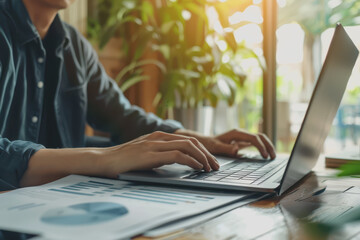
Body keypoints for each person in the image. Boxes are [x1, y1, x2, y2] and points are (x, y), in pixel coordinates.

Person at [0, 0, 276, 191]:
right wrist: (104, 158)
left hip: (62, 204)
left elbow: (122, 117)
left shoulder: (74, 45)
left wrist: (199, 139)